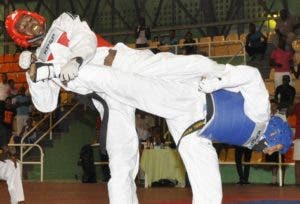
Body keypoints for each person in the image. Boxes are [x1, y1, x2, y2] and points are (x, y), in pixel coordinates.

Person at [6, 10, 293, 204]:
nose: (30, 25)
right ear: (19, 37)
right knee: (120, 163)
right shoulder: (40, 60)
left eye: (29, 19)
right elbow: (45, 105)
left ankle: (210, 74)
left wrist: (77, 59)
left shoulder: (62, 22)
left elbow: (87, 40)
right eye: (23, 27)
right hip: (107, 97)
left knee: (194, 65)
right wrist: (34, 74)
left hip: (122, 62)